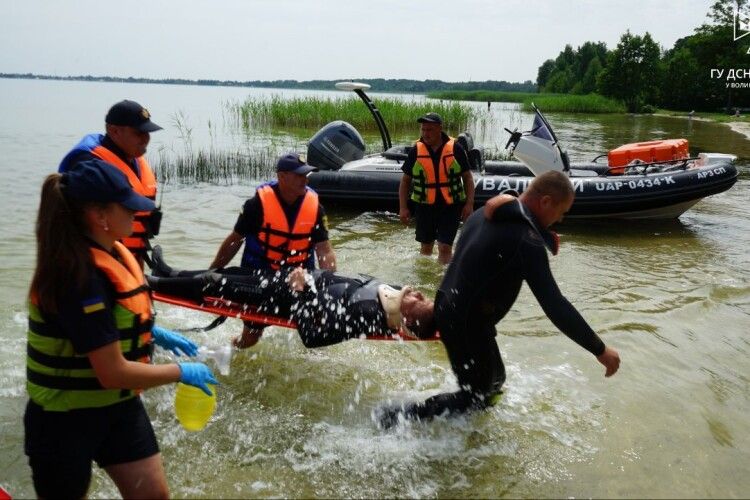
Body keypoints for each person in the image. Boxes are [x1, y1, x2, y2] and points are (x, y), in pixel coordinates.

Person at [24, 160, 218, 499]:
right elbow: (112, 373)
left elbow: (108, 324)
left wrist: (155, 334)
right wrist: (179, 372)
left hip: (118, 409)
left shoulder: (112, 252)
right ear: (100, 216)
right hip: (64, 419)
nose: (137, 213)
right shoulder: (80, 278)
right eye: (127, 206)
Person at [379, 171, 621, 428]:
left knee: (495, 381)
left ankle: (466, 432)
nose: (559, 220)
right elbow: (555, 306)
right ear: (546, 201)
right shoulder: (525, 240)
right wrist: (600, 349)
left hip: (455, 312)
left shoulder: (484, 213)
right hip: (464, 321)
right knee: (477, 395)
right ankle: (395, 417)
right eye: (561, 212)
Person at [147, 246, 437, 346]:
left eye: (420, 301)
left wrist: (300, 292)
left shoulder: (366, 316)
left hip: (280, 299)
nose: (419, 293)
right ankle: (169, 272)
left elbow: (312, 337)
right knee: (231, 271)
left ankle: (150, 284)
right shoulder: (393, 297)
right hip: (291, 281)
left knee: (214, 284)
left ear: (407, 318)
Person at [210, 152, 337, 349]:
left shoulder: (315, 208)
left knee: (319, 326)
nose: (305, 179)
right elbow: (234, 241)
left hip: (300, 277)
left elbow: (325, 251)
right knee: (251, 339)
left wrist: (328, 286)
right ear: (282, 177)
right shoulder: (256, 205)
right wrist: (213, 272)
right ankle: (230, 349)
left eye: (306, 175)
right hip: (263, 276)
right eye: (299, 175)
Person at [58, 100, 164, 267]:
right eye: (139, 133)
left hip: (130, 260)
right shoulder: (89, 167)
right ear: (113, 131)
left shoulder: (135, 161)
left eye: (148, 132)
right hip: (95, 264)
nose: (146, 139)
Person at [398, 112, 475, 264]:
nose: (426, 134)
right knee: (426, 248)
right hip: (425, 206)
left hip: (450, 206)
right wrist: (403, 207)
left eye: (430, 130)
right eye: (423, 130)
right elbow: (405, 181)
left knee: (445, 247)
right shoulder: (416, 151)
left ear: (440, 129)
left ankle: (443, 282)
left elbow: (468, 178)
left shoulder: (456, 149)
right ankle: (426, 278)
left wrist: (469, 204)